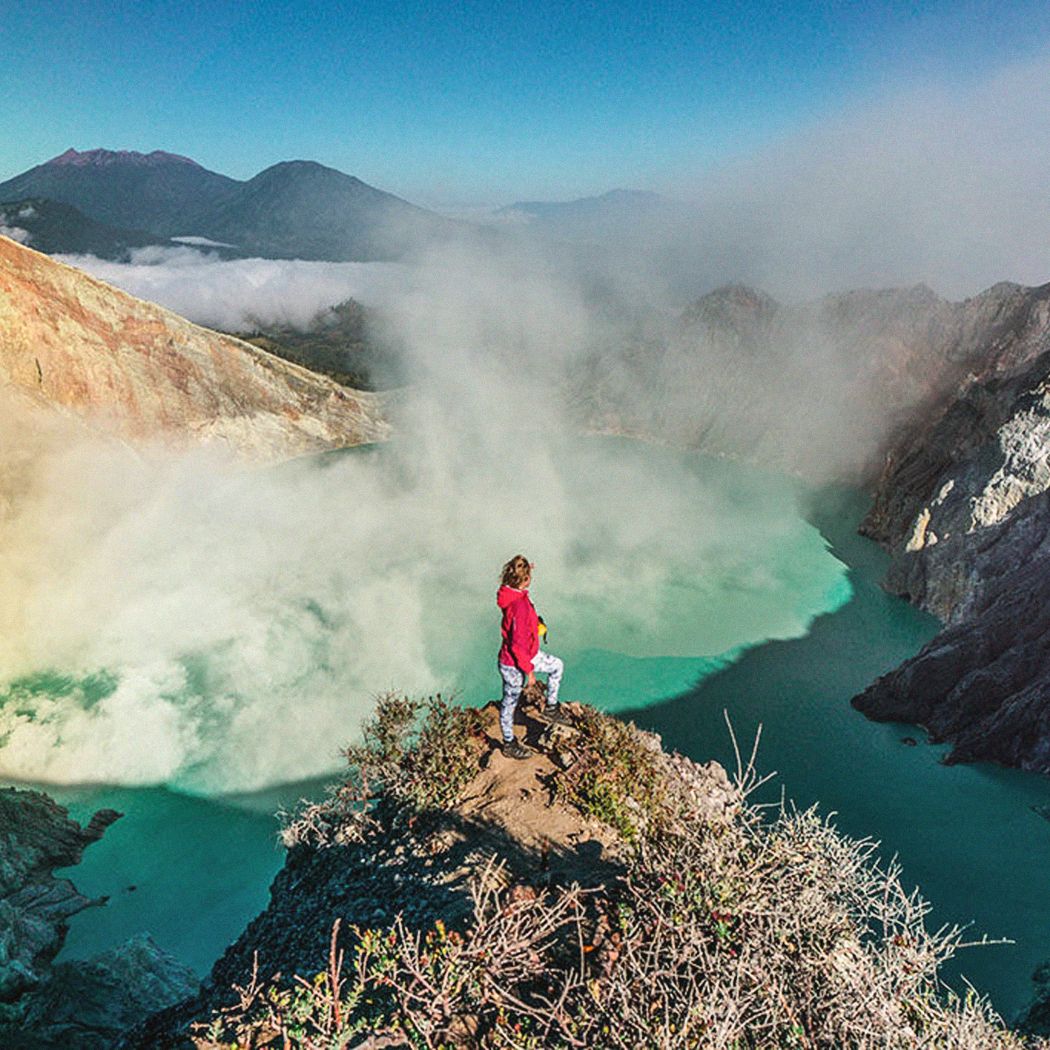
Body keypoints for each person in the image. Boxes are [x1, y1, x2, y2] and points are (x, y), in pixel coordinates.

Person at [496, 554, 571, 759]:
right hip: (517, 663)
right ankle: (509, 743)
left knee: (556, 666)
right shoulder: (518, 606)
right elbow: (517, 645)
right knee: (510, 702)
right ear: (525, 579)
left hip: (520, 657)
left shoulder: (511, 594)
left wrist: (527, 569)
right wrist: (529, 673)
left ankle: (551, 708)